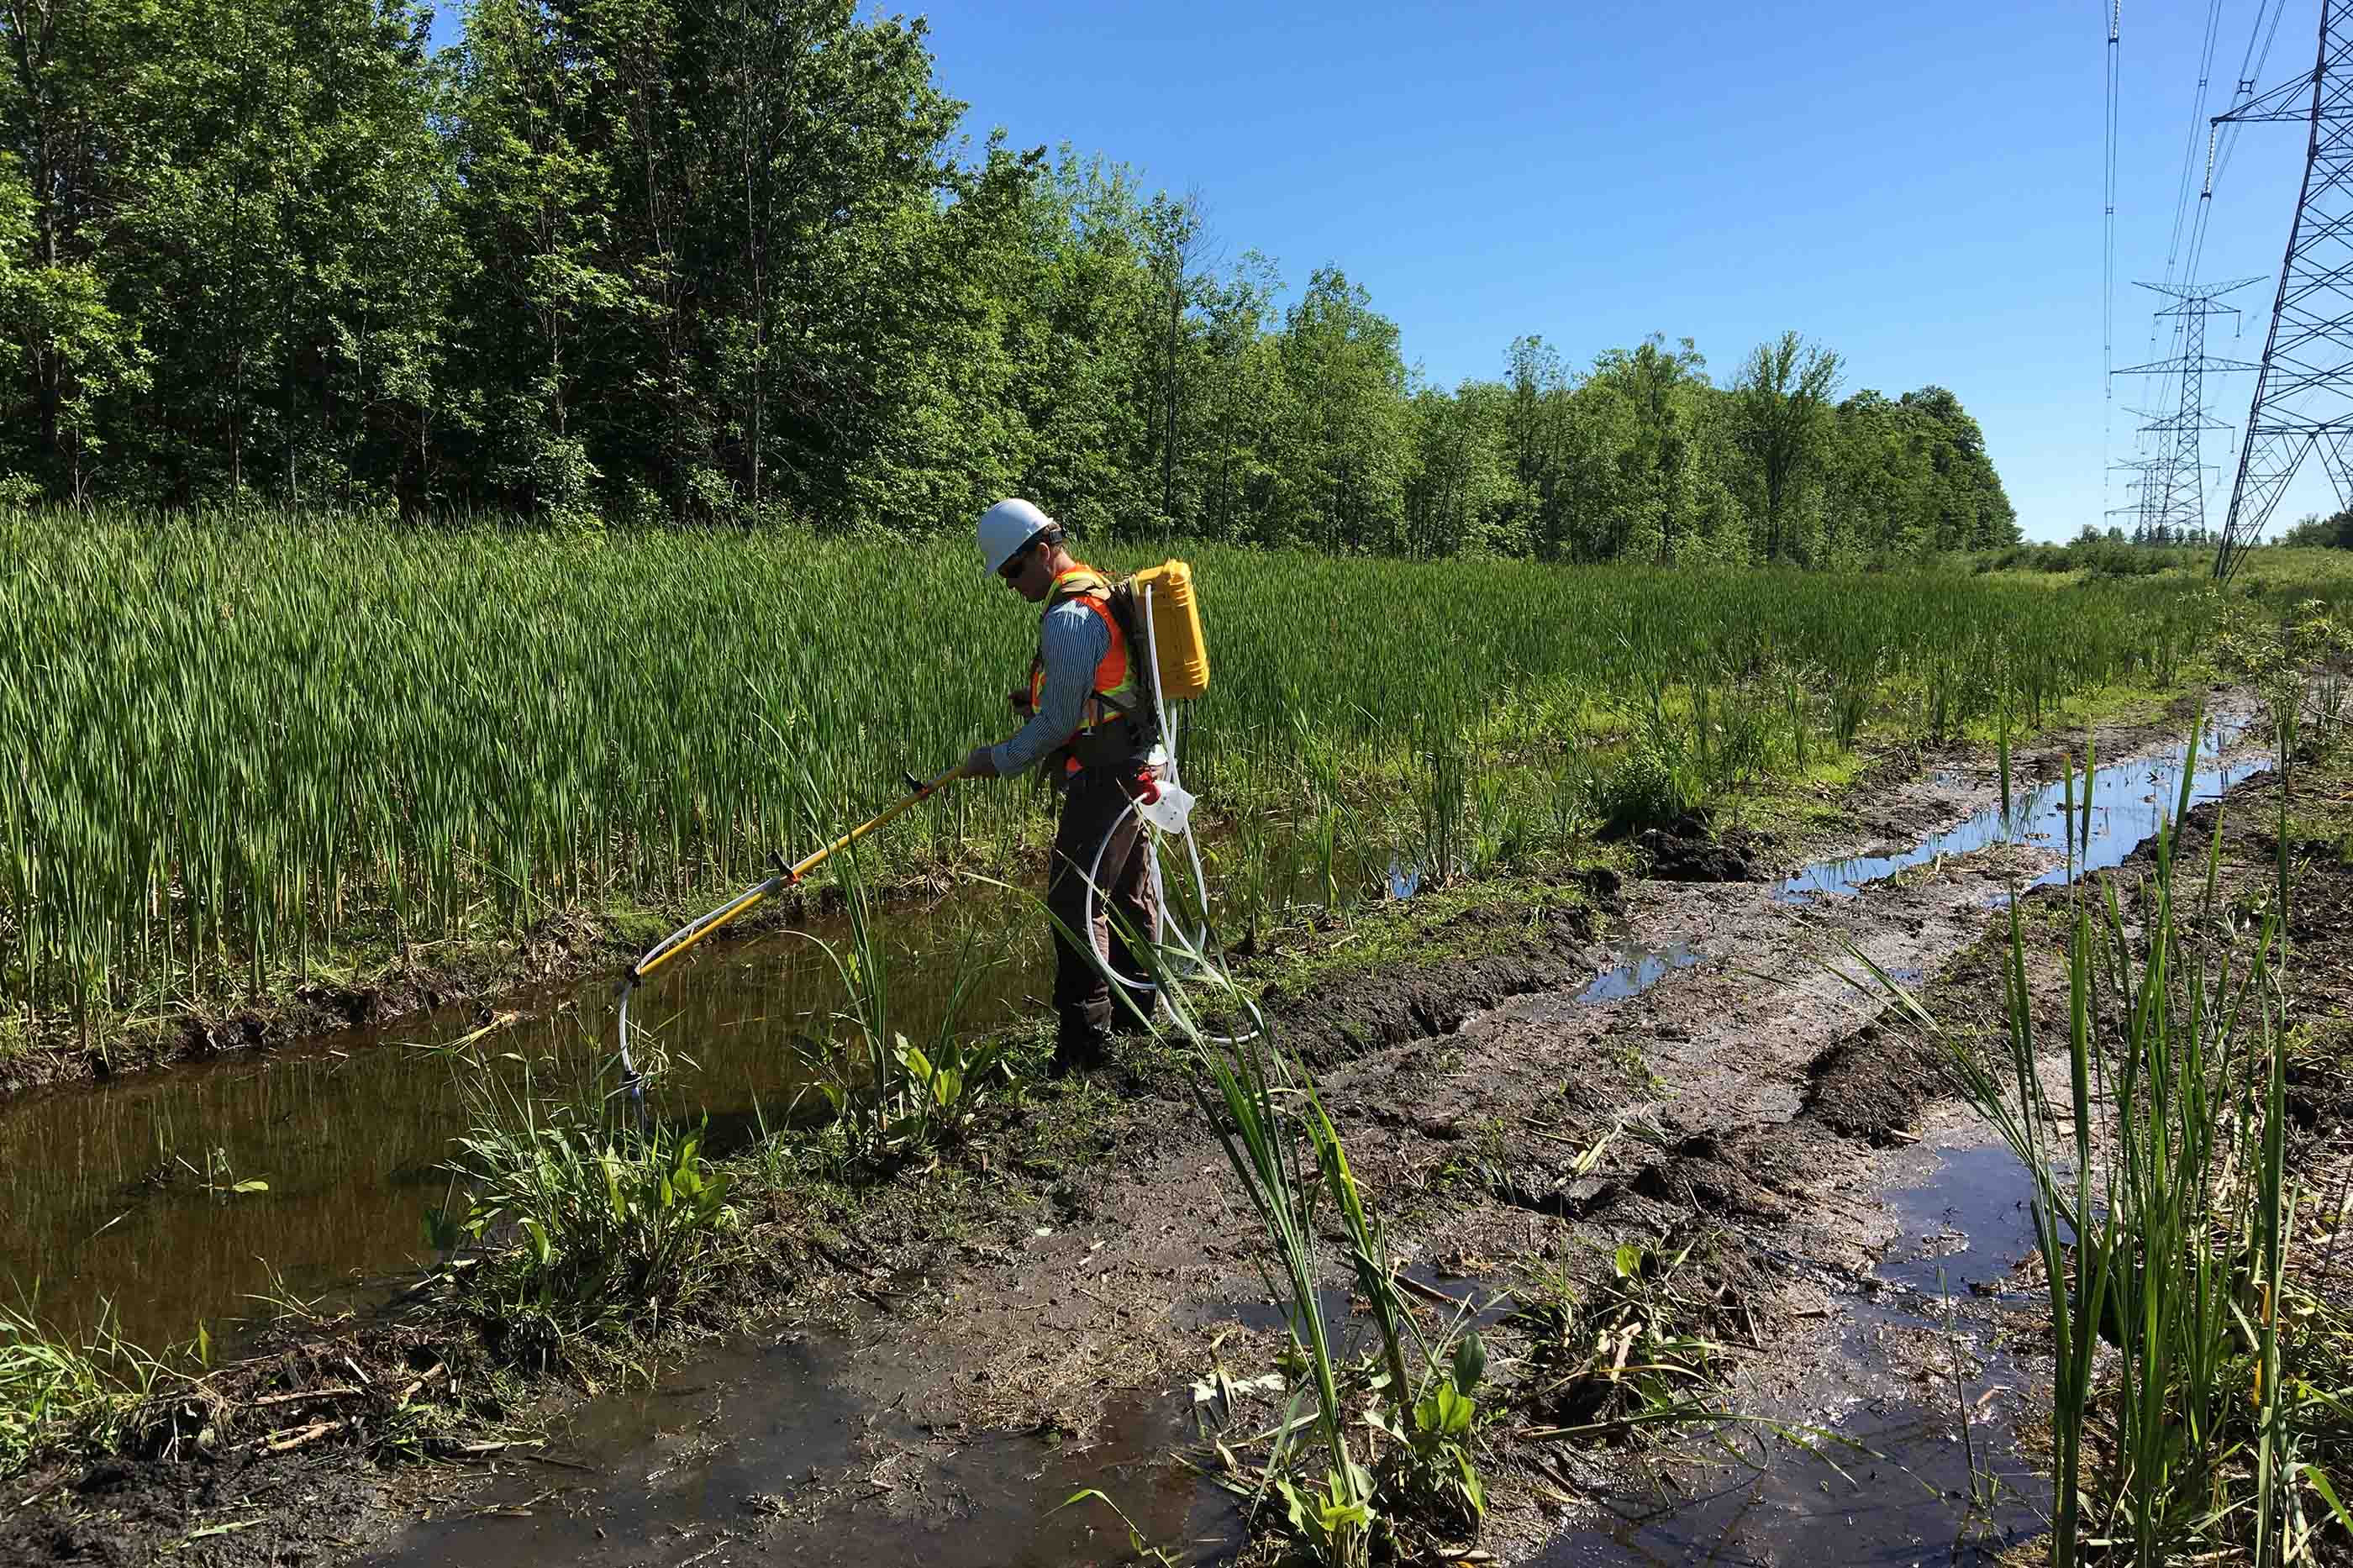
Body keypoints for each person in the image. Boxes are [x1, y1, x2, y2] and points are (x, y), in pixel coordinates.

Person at [962, 498, 1160, 1075]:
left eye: (1013, 571)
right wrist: (1043, 700)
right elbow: (1097, 690)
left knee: (1073, 900)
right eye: (1003, 575)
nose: (1009, 584)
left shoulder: (1068, 617)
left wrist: (997, 760)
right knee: (1127, 892)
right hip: (1137, 763)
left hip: (1107, 774)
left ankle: (1084, 1042)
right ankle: (1141, 1012)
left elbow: (1056, 726)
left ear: (1044, 553)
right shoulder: (1100, 591)